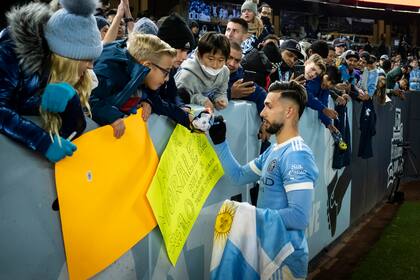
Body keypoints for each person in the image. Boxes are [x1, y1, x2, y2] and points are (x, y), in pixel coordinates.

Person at [208, 80, 319, 279]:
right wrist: (220, 142)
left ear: (289, 112)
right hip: (266, 251)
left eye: (268, 106)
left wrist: (249, 216)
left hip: (284, 260)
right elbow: (239, 175)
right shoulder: (274, 151)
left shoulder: (297, 155)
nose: (262, 112)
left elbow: (299, 217)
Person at [0, 0, 102, 163]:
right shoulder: (11, 54)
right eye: (88, 58)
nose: (91, 66)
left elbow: (71, 135)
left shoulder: (70, 75)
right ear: (69, 56)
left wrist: (72, 102)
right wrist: (41, 141)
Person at [90, 33, 205, 138]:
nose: (167, 79)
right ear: (147, 65)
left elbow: (159, 103)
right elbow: (88, 98)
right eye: (165, 72)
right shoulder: (110, 70)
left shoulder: (141, 74)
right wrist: (113, 117)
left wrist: (189, 120)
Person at [175, 32, 230, 110]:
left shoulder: (224, 72)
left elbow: (221, 92)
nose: (215, 65)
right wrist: (201, 100)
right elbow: (175, 98)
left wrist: (221, 99)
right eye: (210, 59)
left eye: (221, 60)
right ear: (199, 55)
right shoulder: (186, 75)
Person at [226, 41, 266, 113]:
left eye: (237, 61)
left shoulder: (241, 80)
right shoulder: (207, 73)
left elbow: (261, 95)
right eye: (229, 58)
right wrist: (231, 94)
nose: (232, 64)